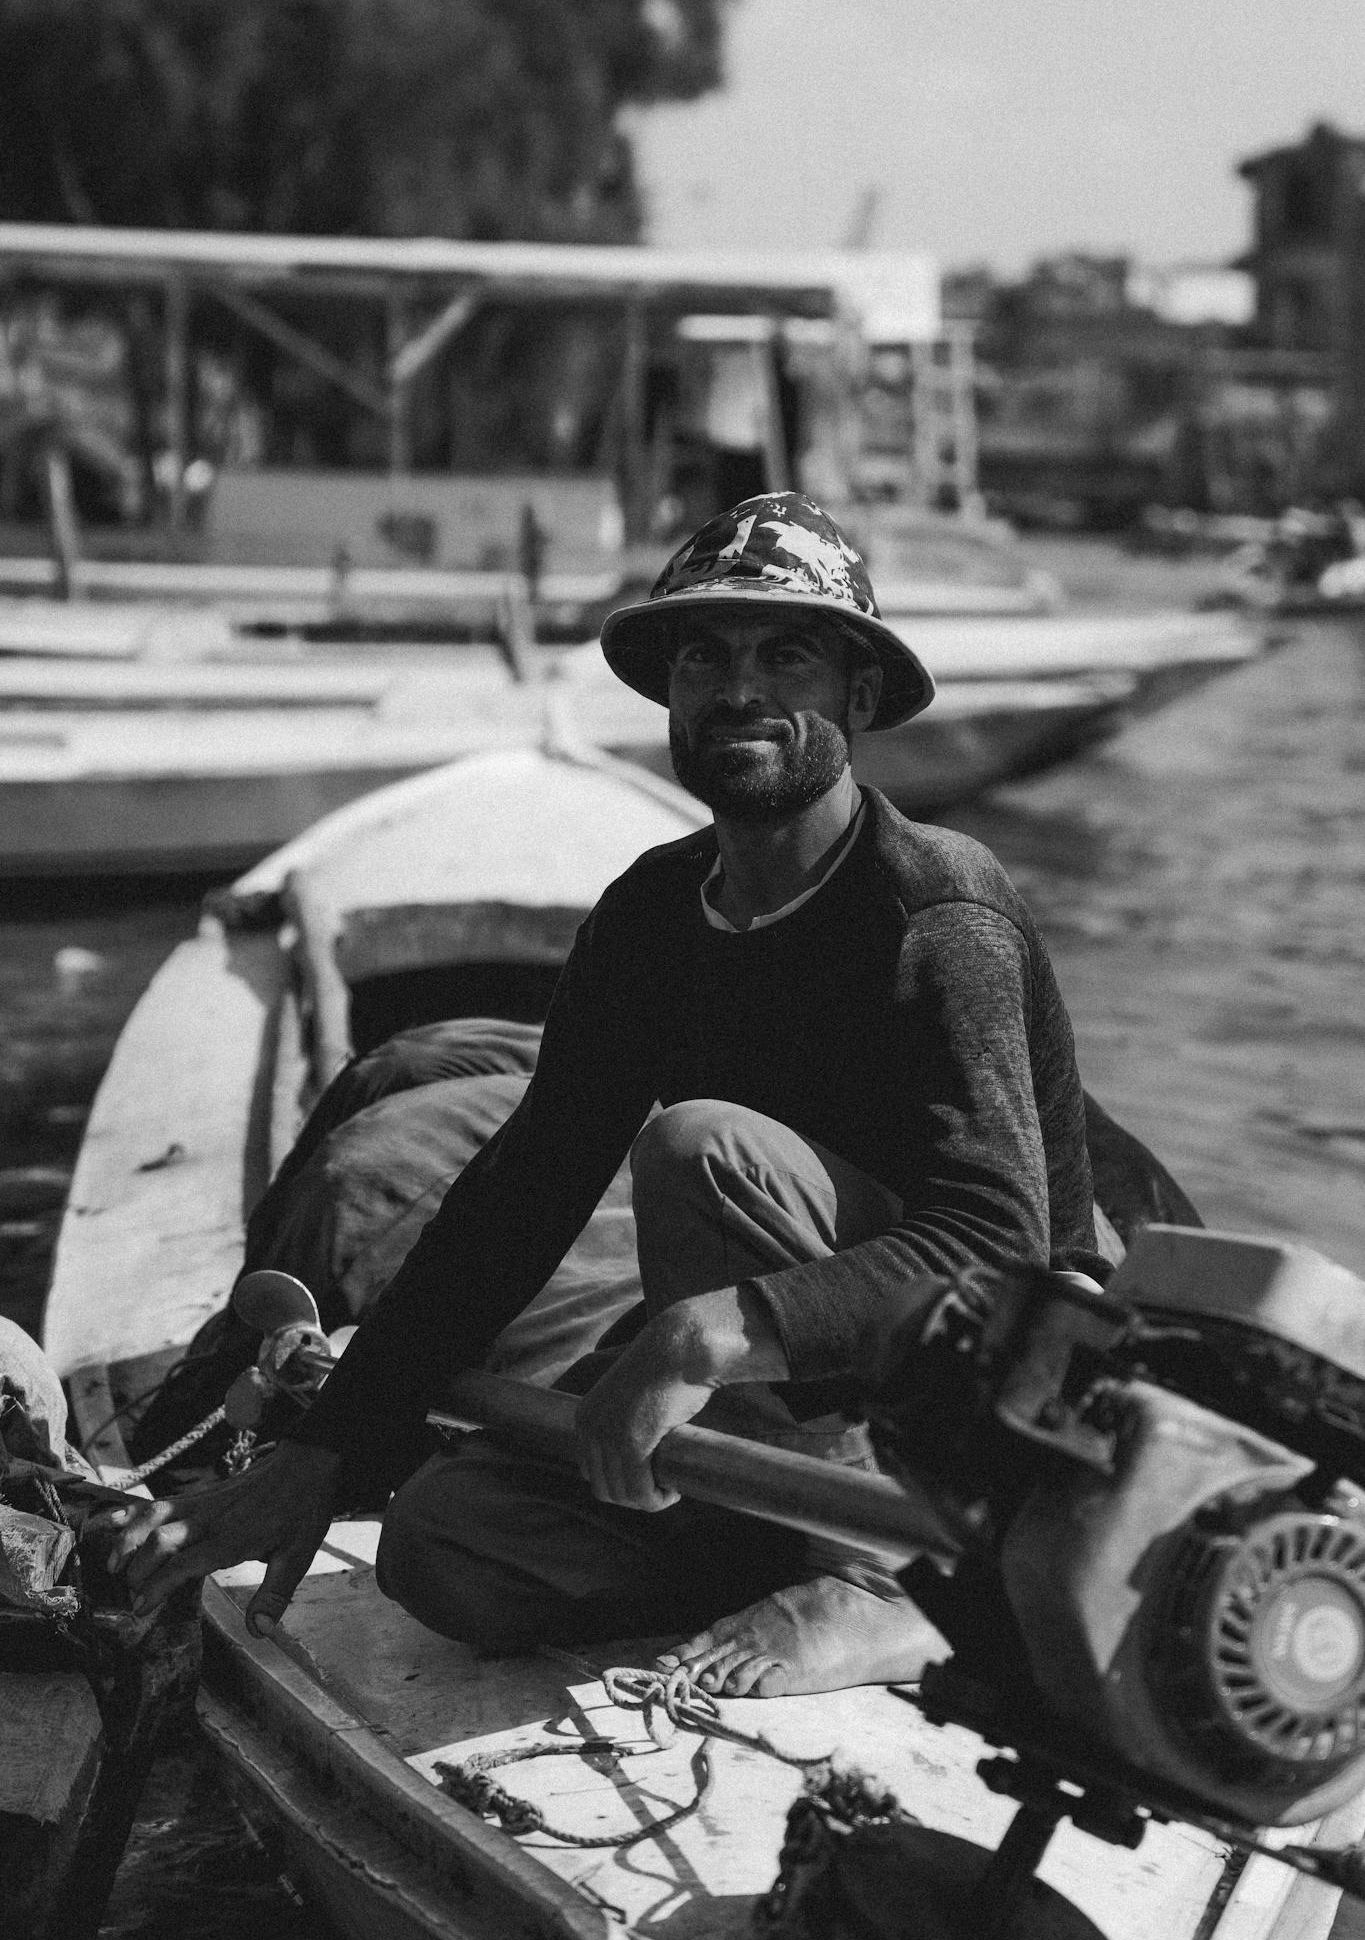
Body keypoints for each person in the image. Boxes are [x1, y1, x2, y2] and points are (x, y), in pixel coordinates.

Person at [106, 491, 1099, 1698]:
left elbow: (1003, 1245)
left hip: (984, 1409)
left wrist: (700, 1334)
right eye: (704, 656)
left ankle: (891, 1575)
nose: (739, 689)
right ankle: (755, 1530)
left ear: (861, 695)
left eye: (787, 655)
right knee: (443, 1546)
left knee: (700, 1151)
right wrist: (323, 1449)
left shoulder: (936, 914)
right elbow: (525, 1190)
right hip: (779, 1395)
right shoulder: (652, 914)